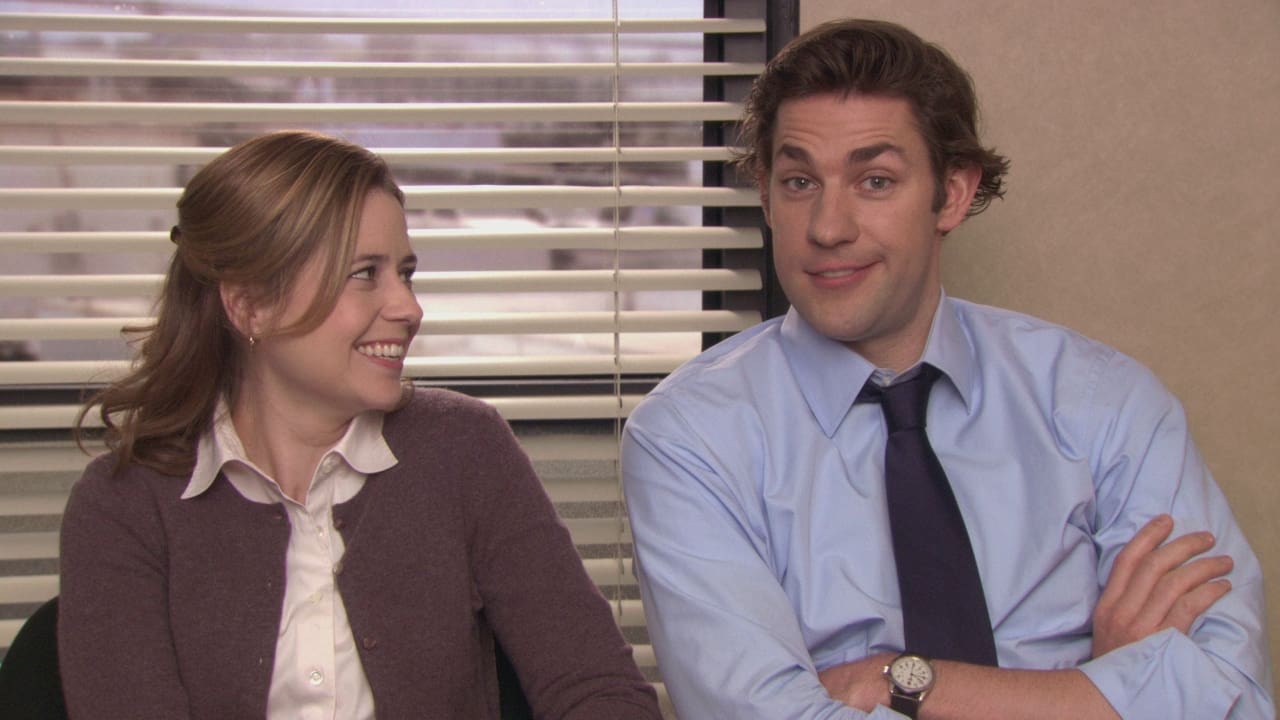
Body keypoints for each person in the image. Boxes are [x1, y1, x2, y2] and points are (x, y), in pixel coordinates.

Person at [621, 18, 1273, 720]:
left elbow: (1230, 696)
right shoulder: (691, 438)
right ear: (766, 196)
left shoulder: (1104, 404)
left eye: (875, 180)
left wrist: (903, 682)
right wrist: (1099, 695)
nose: (828, 227)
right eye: (800, 180)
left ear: (953, 194)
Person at [60, 130, 661, 719]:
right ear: (249, 306)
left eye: (406, 273)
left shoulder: (464, 450)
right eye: (365, 273)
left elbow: (600, 691)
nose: (408, 308)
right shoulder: (125, 505)